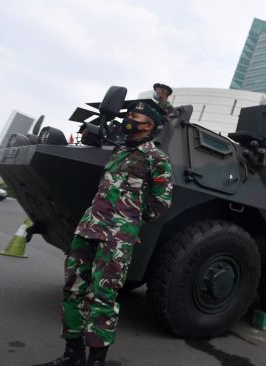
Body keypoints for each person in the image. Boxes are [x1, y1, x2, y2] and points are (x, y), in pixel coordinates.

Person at [34, 101, 174, 366]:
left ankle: (96, 361)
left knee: (103, 296)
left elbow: (161, 201)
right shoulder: (119, 152)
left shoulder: (156, 158)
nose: (129, 119)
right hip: (88, 228)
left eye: (135, 115)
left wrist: (130, 224)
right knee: (73, 290)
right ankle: (72, 355)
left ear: (149, 124)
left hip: (116, 238)